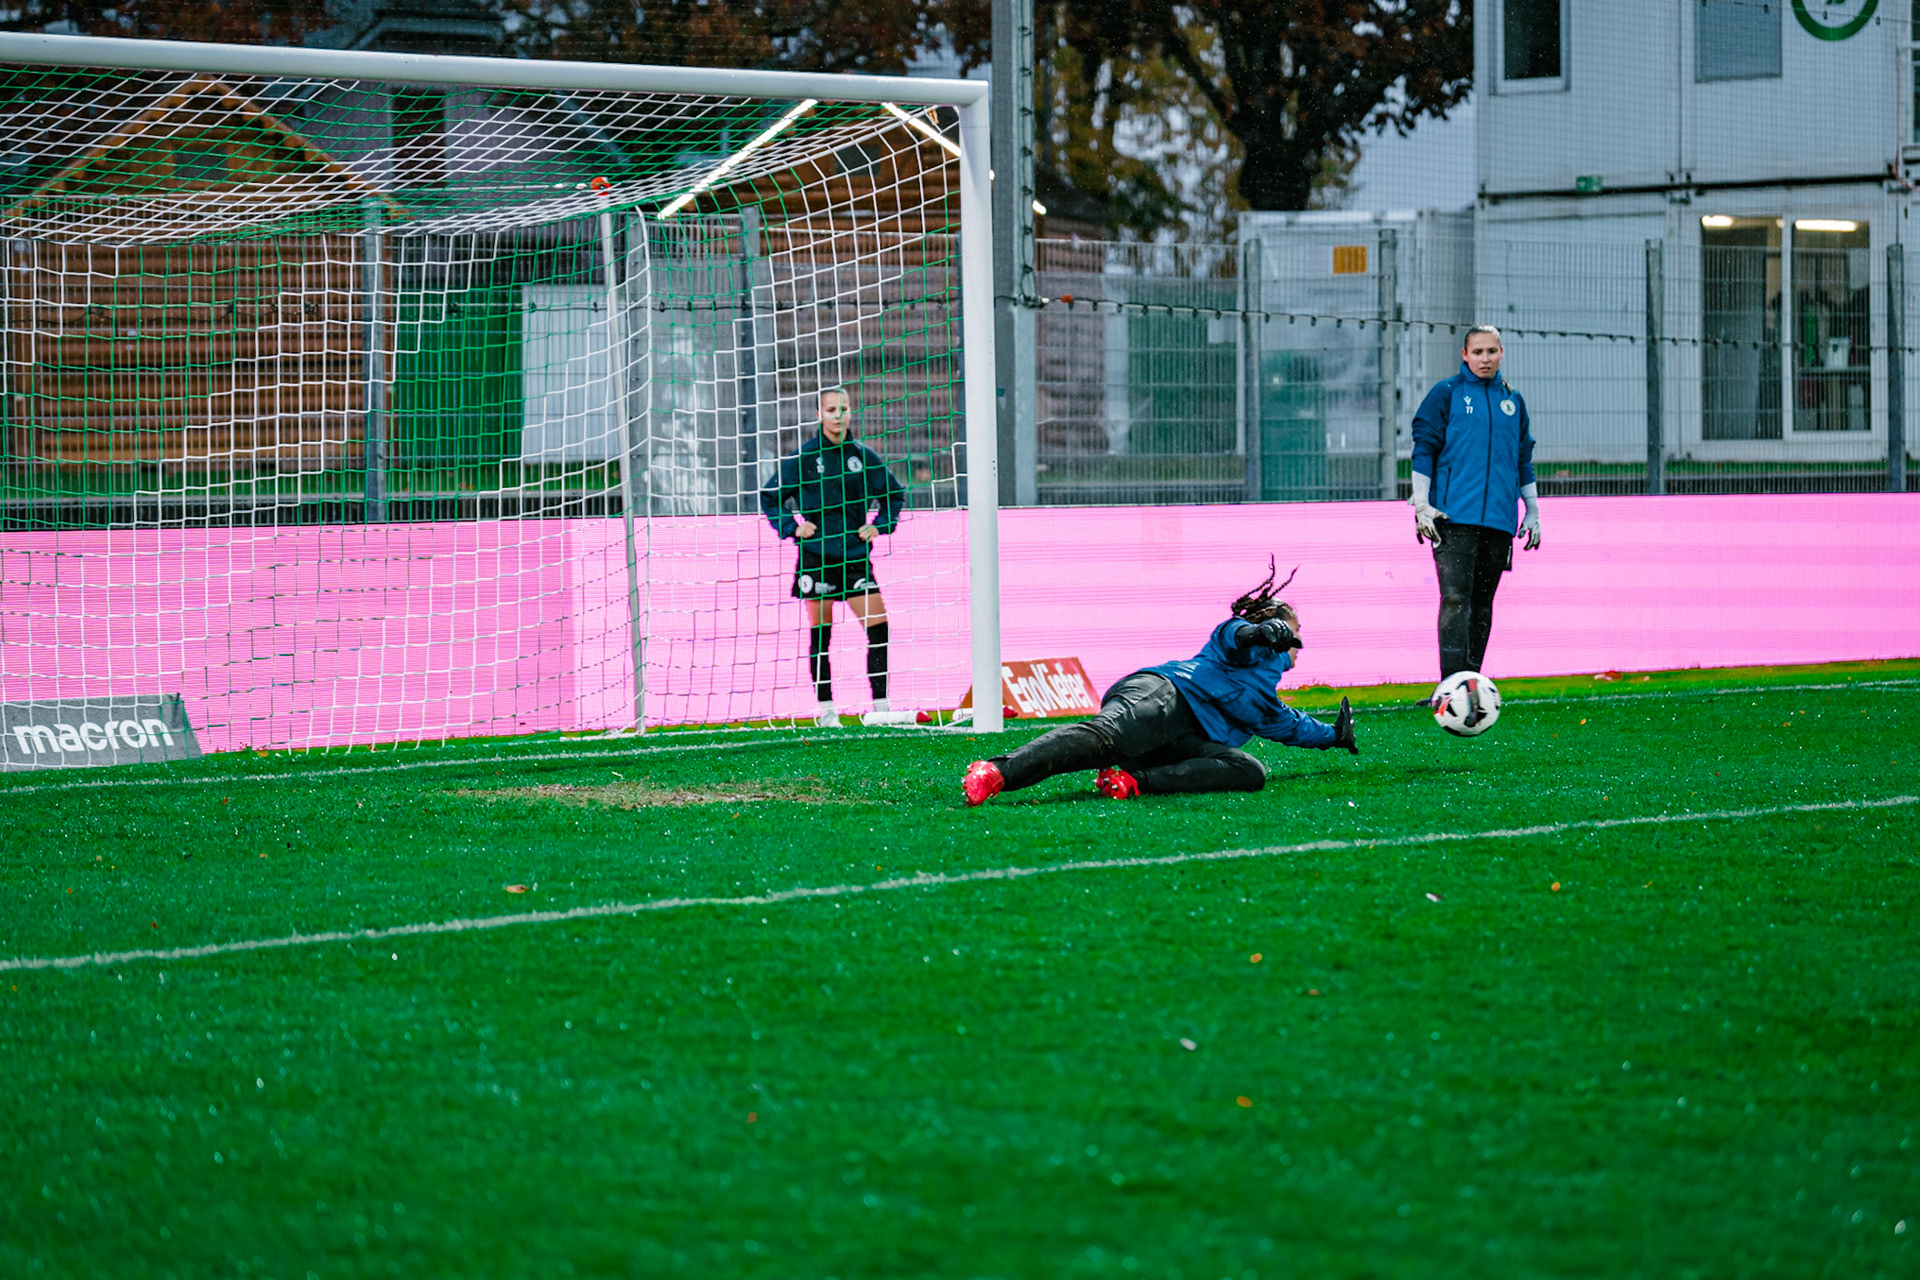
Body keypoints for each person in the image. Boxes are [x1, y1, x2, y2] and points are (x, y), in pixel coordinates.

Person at [961, 562, 1358, 806]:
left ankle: (1132, 781)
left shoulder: (1265, 706)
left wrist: (1336, 735)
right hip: (1163, 694)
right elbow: (1232, 633)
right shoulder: (1242, 647)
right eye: (1295, 633)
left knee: (1249, 771)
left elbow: (1296, 727)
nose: (1299, 644)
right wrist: (1261, 633)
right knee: (1105, 739)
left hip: (1173, 741)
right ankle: (997, 773)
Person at [759, 385, 908, 727]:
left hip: (855, 555)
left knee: (879, 629)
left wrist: (879, 525)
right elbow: (770, 497)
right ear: (818, 415)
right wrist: (792, 526)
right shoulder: (804, 457)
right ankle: (827, 711)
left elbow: (894, 494)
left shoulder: (863, 456)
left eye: (844, 409)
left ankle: (881, 707)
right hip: (817, 558)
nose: (838, 416)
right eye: (831, 410)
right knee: (822, 635)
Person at [1409, 325, 1541, 702]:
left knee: (1483, 603)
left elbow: (1523, 460)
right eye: (1478, 352)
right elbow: (1423, 449)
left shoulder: (1513, 402)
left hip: (1500, 520)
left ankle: (1472, 686)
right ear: (1464, 355)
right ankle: (1449, 688)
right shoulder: (1446, 394)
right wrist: (1422, 505)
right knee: (1455, 598)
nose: (1485, 359)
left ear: (1502, 353)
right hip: (1452, 518)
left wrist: (1531, 511)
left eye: (1492, 351)